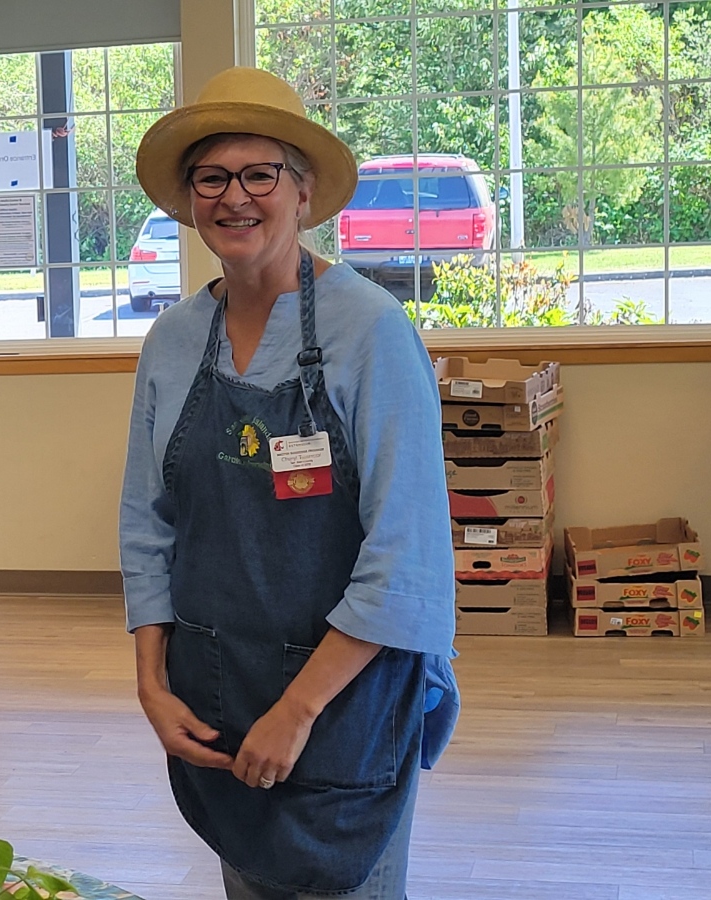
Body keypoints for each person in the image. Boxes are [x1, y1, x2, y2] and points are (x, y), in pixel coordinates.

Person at [119, 67, 460, 899]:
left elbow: (404, 555)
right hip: (218, 695)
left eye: (260, 174)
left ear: (303, 194)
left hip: (344, 705)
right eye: (212, 177)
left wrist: (299, 710)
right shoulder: (172, 341)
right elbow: (146, 526)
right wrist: (151, 685)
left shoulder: (371, 331)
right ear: (190, 199)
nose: (235, 197)